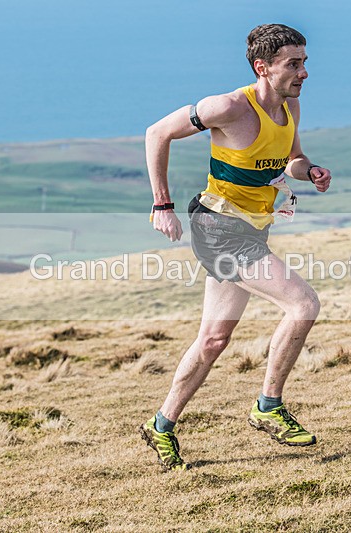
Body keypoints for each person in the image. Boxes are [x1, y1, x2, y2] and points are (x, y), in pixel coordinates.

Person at [139, 23, 332, 470]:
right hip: (219, 229)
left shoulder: (291, 107)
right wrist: (161, 205)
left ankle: (160, 425)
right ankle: (268, 407)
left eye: (304, 61)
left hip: (252, 228)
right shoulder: (226, 107)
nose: (304, 72)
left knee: (213, 340)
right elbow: (155, 133)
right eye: (294, 64)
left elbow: (292, 161)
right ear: (262, 67)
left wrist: (313, 170)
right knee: (302, 304)